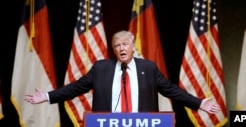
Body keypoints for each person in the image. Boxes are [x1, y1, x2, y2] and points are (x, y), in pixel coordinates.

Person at [24, 30, 220, 114]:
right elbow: (76, 88)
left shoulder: (148, 68)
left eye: (125, 44)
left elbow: (171, 90)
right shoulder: (101, 68)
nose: (121, 48)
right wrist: (48, 96)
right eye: (117, 45)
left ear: (133, 47)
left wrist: (200, 103)